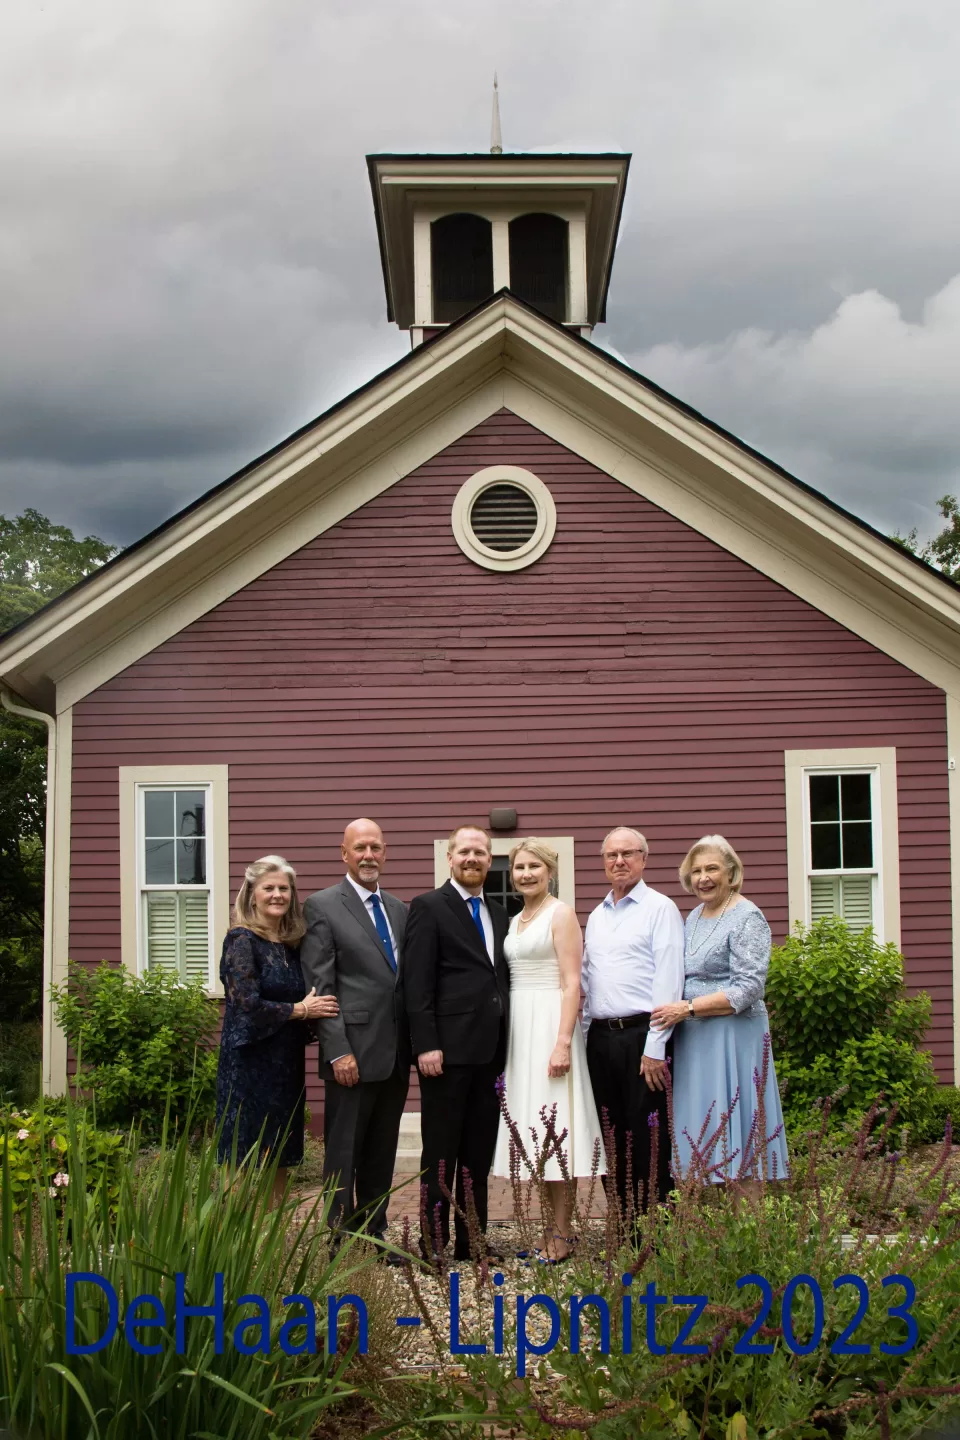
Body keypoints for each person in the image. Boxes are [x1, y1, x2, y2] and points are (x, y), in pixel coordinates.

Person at [651, 835, 789, 1191]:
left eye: (711, 868)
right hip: (695, 1040)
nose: (703, 878)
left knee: (740, 1139)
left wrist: (690, 1007)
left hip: (733, 1037)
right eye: (696, 871)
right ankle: (708, 1237)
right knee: (701, 1136)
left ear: (731, 872)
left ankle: (747, 1236)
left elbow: (749, 988)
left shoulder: (747, 916)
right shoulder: (694, 916)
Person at [492, 839, 605, 1262]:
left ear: (550, 871)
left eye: (534, 866)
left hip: (551, 1027)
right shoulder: (517, 918)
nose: (525, 874)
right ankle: (548, 1228)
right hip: (520, 1030)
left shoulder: (562, 914)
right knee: (536, 1132)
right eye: (519, 867)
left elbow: (572, 982)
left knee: (557, 1129)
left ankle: (563, 1232)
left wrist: (562, 1042)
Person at [300, 819, 410, 1253]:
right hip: (352, 1054)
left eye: (376, 847)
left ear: (385, 853)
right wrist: (337, 1051)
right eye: (360, 847)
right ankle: (339, 1239)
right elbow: (321, 987)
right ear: (344, 854)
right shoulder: (323, 906)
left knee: (381, 1150)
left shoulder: (399, 909)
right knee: (344, 1152)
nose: (369, 855)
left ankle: (375, 1232)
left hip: (396, 1053)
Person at [404, 825, 511, 1262]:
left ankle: (474, 1243)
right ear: (450, 857)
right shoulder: (429, 907)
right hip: (444, 1054)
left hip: (490, 1053)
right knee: (441, 1153)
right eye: (464, 851)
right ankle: (432, 1244)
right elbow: (417, 982)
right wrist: (426, 1043)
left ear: (490, 860)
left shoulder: (501, 913)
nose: (473, 859)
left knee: (477, 1153)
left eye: (480, 853)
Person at [216, 855, 336, 1205]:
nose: (277, 895)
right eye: (269, 888)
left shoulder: (292, 945)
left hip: (285, 1062)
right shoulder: (241, 940)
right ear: (252, 894)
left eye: (284, 888)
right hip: (248, 1063)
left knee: (279, 1151)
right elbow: (246, 1004)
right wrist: (301, 1009)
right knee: (242, 1153)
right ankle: (234, 1240)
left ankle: (272, 1236)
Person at [582, 826, 685, 1221]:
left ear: (644, 858)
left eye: (628, 854)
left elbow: (669, 980)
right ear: (604, 862)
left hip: (644, 1038)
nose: (619, 861)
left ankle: (655, 1233)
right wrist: (587, 1037)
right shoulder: (596, 916)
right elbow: (591, 982)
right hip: (602, 1041)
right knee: (611, 1136)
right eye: (612, 855)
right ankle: (624, 1227)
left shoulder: (660, 909)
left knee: (648, 1138)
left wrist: (656, 1046)